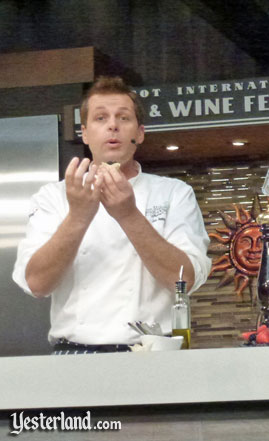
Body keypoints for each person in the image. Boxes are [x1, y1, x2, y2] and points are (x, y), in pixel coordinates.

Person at [12, 76, 211, 354]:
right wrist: (79, 216)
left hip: (154, 354)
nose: (113, 125)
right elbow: (37, 284)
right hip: (75, 354)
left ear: (139, 133)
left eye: (123, 117)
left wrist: (129, 215)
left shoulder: (174, 193)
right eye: (100, 118)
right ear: (85, 133)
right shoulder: (53, 197)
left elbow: (184, 281)